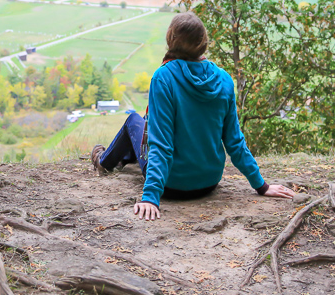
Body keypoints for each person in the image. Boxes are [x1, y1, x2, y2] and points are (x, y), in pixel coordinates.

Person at [91, 12, 295, 222]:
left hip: (172, 185)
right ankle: (126, 158)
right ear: (203, 42)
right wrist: (261, 186)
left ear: (171, 39)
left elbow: (161, 144)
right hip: (209, 182)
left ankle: (103, 161)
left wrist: (150, 197)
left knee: (134, 120)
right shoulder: (224, 79)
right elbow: (235, 142)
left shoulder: (164, 77)